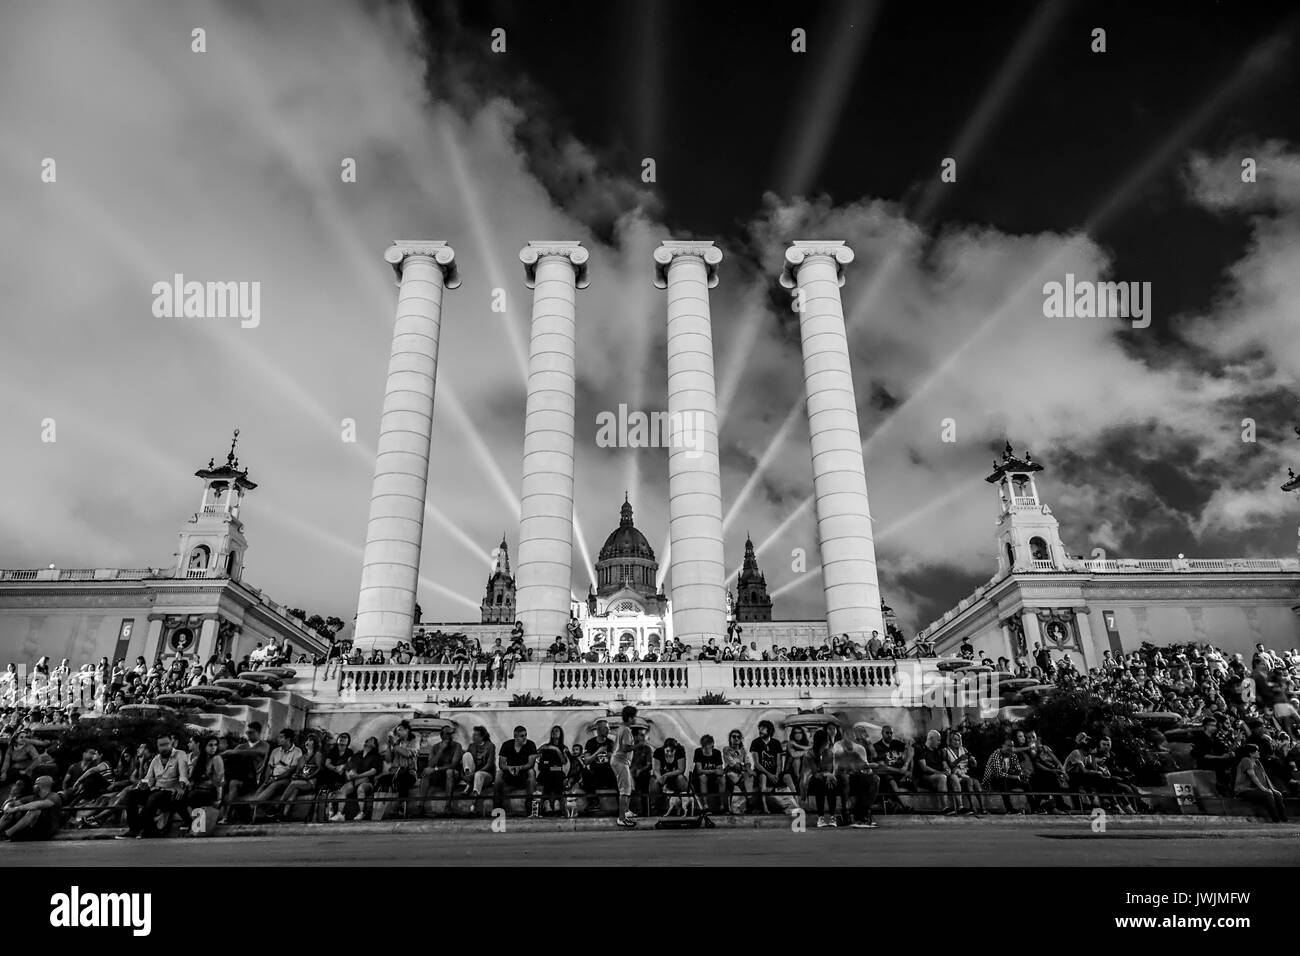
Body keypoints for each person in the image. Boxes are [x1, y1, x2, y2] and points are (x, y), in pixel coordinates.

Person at [117, 732, 190, 839]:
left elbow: (183, 774)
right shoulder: (155, 760)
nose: (164, 747)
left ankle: (136, 830)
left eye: (166, 744)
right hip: (156, 790)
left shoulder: (180, 754)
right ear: (158, 746)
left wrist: (181, 786)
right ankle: (136, 828)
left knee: (153, 797)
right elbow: (148, 778)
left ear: (172, 743)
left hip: (171, 793)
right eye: (161, 745)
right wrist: (143, 784)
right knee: (132, 795)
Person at [832, 725, 880, 828]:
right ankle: (846, 814)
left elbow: (865, 766)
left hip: (857, 775)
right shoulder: (837, 745)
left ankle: (863, 813)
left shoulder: (860, 748)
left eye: (851, 734)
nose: (849, 736)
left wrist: (868, 771)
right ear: (843, 735)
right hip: (842, 776)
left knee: (875, 779)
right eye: (847, 734)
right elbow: (837, 765)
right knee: (845, 777)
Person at [251, 728, 303, 821]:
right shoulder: (275, 751)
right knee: (262, 787)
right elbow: (269, 767)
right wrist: (267, 779)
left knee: (274, 785)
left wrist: (275, 778)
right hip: (273, 777)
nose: (278, 739)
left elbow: (291, 770)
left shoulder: (297, 751)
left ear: (288, 739)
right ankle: (253, 808)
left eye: (281, 737)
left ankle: (256, 803)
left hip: (285, 779)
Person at [330, 737, 383, 822]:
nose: (367, 741)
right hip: (353, 781)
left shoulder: (376, 757)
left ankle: (361, 813)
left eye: (371, 741)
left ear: (374, 745)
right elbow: (348, 768)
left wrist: (358, 776)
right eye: (367, 740)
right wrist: (349, 775)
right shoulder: (356, 755)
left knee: (361, 789)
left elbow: (373, 771)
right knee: (343, 790)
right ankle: (340, 814)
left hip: (367, 782)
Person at [0, 775, 64, 841]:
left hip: (47, 830)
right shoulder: (33, 797)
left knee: (35, 811)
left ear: (41, 786)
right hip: (33, 828)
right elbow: (12, 803)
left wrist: (15, 809)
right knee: (9, 813)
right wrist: (7, 807)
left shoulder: (54, 796)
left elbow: (38, 805)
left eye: (35, 784)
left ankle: (6, 834)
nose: (33, 786)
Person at [416, 726, 463, 816]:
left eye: (450, 734)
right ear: (442, 736)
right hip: (439, 774)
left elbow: (453, 765)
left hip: (453, 774)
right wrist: (441, 750)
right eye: (447, 734)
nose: (449, 736)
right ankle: (420, 806)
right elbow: (430, 764)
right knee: (426, 772)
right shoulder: (435, 747)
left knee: (449, 772)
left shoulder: (457, 746)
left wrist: (435, 769)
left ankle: (448, 806)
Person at [1234, 743, 1287, 822]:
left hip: (1254, 789)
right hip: (1243, 789)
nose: (1259, 752)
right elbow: (1252, 776)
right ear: (1250, 753)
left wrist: (1272, 789)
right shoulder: (1246, 760)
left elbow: (1264, 776)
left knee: (1277, 794)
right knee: (1268, 794)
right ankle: (1276, 820)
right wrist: (1263, 789)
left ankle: (1284, 819)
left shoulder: (1257, 762)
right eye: (1256, 751)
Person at [495, 725, 538, 816]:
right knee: (499, 773)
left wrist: (519, 768)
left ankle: (530, 808)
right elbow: (501, 764)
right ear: (515, 736)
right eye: (522, 736)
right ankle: (497, 807)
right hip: (510, 774)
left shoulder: (531, 745)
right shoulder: (506, 745)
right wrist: (510, 768)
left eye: (525, 735)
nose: (524, 738)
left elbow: (531, 764)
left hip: (523, 774)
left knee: (531, 772)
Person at [279, 734, 323, 822]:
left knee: (293, 784)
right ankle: (284, 814)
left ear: (315, 742)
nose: (308, 742)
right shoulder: (302, 757)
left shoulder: (317, 754)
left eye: (310, 740)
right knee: (294, 791)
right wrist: (296, 775)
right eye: (307, 740)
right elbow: (297, 771)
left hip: (311, 781)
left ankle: (278, 805)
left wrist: (309, 776)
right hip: (301, 780)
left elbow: (319, 768)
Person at [942, 730, 984, 815]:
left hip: (964, 775)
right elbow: (948, 766)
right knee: (966, 780)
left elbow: (974, 765)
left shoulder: (964, 749)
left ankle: (982, 808)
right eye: (954, 739)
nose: (957, 742)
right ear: (950, 740)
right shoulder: (945, 751)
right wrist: (960, 759)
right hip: (954, 775)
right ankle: (965, 807)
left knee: (975, 782)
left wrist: (973, 761)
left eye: (958, 740)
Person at [981, 737, 1028, 813]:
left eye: (1012, 746)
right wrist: (1015, 777)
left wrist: (1022, 775)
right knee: (1002, 780)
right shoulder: (996, 755)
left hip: (1006, 779)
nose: (1011, 748)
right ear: (1002, 746)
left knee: (1026, 782)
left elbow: (1018, 768)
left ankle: (1034, 806)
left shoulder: (1013, 755)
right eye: (1009, 745)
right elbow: (998, 774)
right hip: (992, 781)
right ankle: (1009, 809)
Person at [915, 729, 956, 813]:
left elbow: (945, 765)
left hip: (939, 775)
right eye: (938, 740)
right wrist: (940, 773)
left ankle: (960, 806)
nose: (939, 742)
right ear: (931, 738)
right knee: (942, 777)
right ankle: (944, 807)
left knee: (954, 777)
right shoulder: (921, 749)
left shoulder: (939, 751)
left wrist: (947, 770)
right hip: (926, 777)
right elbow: (924, 768)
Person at [610, 706, 638, 828]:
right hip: (620, 761)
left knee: (628, 787)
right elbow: (626, 747)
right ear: (630, 717)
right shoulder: (626, 730)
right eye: (634, 717)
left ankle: (626, 811)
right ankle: (621, 818)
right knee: (624, 790)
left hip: (619, 761)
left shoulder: (622, 728)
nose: (635, 719)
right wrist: (638, 745)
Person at [749, 720, 785, 812]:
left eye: (763, 728)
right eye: (759, 728)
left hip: (774, 772)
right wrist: (769, 775)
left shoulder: (776, 743)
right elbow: (756, 763)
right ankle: (765, 806)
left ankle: (795, 804)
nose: (760, 730)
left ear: (769, 730)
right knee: (763, 776)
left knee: (786, 777)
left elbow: (779, 762)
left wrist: (777, 774)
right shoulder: (755, 742)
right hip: (762, 771)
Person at [807, 729, 839, 827]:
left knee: (831, 783)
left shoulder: (829, 753)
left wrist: (829, 776)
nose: (829, 742)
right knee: (819, 783)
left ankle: (832, 817)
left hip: (827, 778)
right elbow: (815, 772)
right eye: (827, 740)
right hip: (813, 779)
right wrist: (827, 775)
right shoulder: (810, 754)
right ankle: (821, 817)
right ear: (821, 741)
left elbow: (829, 769)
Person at [186, 735, 225, 816]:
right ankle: (194, 822)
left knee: (192, 796)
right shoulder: (198, 760)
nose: (214, 747)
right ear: (205, 746)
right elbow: (193, 777)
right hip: (198, 789)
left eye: (215, 745)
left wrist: (219, 798)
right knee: (181, 797)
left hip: (211, 791)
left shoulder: (217, 759)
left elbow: (219, 780)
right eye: (211, 745)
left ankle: (197, 823)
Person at [535, 726, 569, 816]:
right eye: (553, 731)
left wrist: (556, 749)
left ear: (561, 733)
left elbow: (564, 761)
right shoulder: (546, 746)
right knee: (547, 775)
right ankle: (547, 804)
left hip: (557, 770)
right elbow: (536, 754)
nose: (554, 733)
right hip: (546, 770)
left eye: (557, 731)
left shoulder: (563, 747)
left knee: (556, 774)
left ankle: (555, 804)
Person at [651, 736, 689, 815]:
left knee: (681, 778)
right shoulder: (658, 752)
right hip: (662, 776)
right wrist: (659, 778)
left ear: (675, 750)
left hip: (675, 776)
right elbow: (656, 769)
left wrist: (667, 774)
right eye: (667, 751)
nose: (669, 753)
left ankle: (684, 805)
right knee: (654, 781)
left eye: (672, 751)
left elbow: (681, 770)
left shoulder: (680, 752)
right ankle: (654, 807)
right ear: (663, 748)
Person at [460, 726, 497, 807]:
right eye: (473, 734)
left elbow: (489, 764)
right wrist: (465, 775)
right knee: (466, 755)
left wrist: (474, 774)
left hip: (486, 775)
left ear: (482, 737)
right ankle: (469, 783)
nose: (473, 736)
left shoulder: (490, 746)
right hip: (473, 774)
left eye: (476, 735)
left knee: (478, 774)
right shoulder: (471, 746)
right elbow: (467, 762)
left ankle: (474, 804)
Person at [692, 734, 726, 811]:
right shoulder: (698, 752)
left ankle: (722, 804)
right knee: (703, 777)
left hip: (712, 778)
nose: (706, 748)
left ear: (712, 744)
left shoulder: (717, 753)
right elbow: (699, 770)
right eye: (704, 746)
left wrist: (717, 772)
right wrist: (713, 771)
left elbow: (720, 770)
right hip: (699, 778)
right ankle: (705, 804)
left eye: (707, 745)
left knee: (722, 779)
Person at [721, 730, 751, 811]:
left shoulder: (743, 750)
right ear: (730, 739)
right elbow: (734, 765)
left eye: (738, 737)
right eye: (734, 736)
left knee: (750, 776)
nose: (736, 738)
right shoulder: (726, 750)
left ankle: (749, 803)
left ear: (741, 739)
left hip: (741, 775)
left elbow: (748, 763)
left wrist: (746, 766)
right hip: (730, 775)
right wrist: (743, 765)